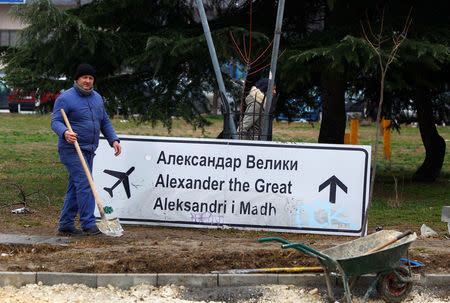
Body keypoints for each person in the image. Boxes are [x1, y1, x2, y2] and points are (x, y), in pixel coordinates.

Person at [51, 63, 121, 236]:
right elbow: (55, 122)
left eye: (90, 78)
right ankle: (88, 223)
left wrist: (113, 140)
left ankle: (66, 224)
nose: (87, 81)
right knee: (85, 184)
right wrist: (65, 132)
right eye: (84, 78)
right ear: (77, 79)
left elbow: (104, 121)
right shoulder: (65, 98)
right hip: (72, 149)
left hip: (89, 149)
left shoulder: (97, 98)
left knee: (76, 187)